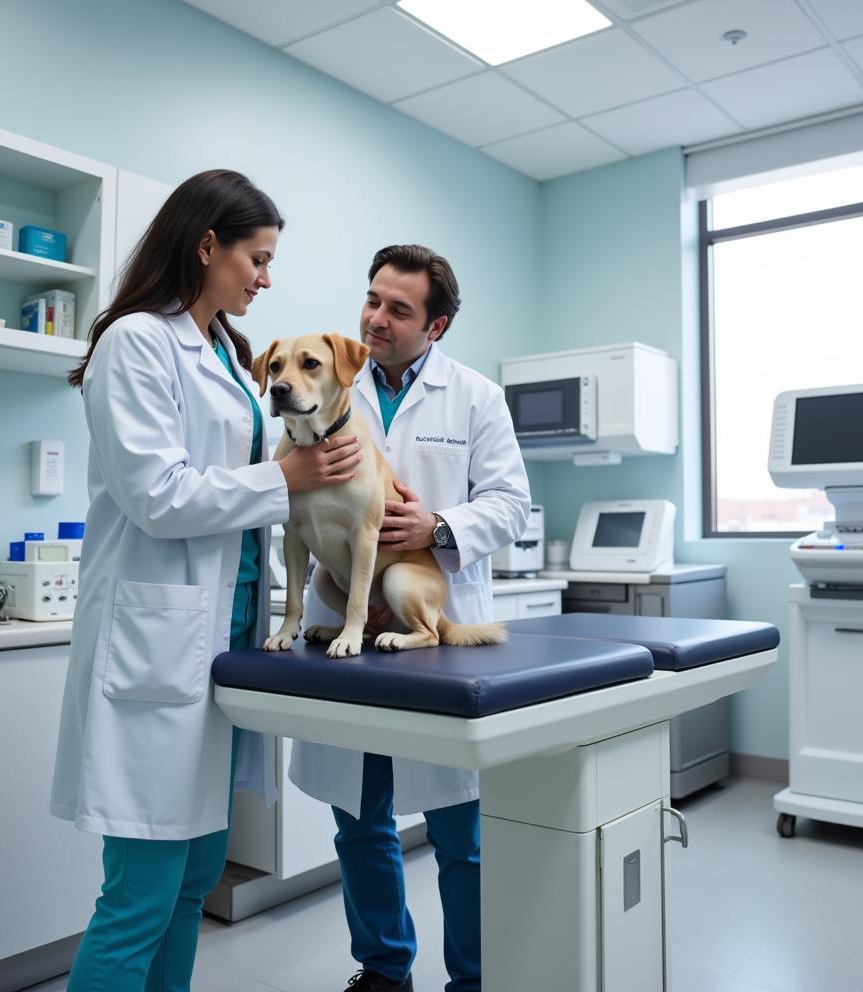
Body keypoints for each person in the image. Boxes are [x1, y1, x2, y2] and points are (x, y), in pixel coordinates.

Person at [52, 169, 362, 992]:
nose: (265, 278)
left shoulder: (225, 351)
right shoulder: (138, 341)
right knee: (140, 895)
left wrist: (315, 478)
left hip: (220, 647)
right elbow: (158, 494)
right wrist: (286, 478)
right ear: (206, 247)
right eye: (256, 259)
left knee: (193, 884)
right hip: (157, 645)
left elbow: (242, 474)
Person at [289, 244, 531, 992]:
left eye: (398, 309)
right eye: (372, 300)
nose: (376, 319)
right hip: (345, 631)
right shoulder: (327, 376)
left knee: (462, 828)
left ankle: (474, 979)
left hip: (435, 628)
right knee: (359, 819)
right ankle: (384, 970)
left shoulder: (477, 397)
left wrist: (439, 527)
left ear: (438, 324)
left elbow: (512, 504)